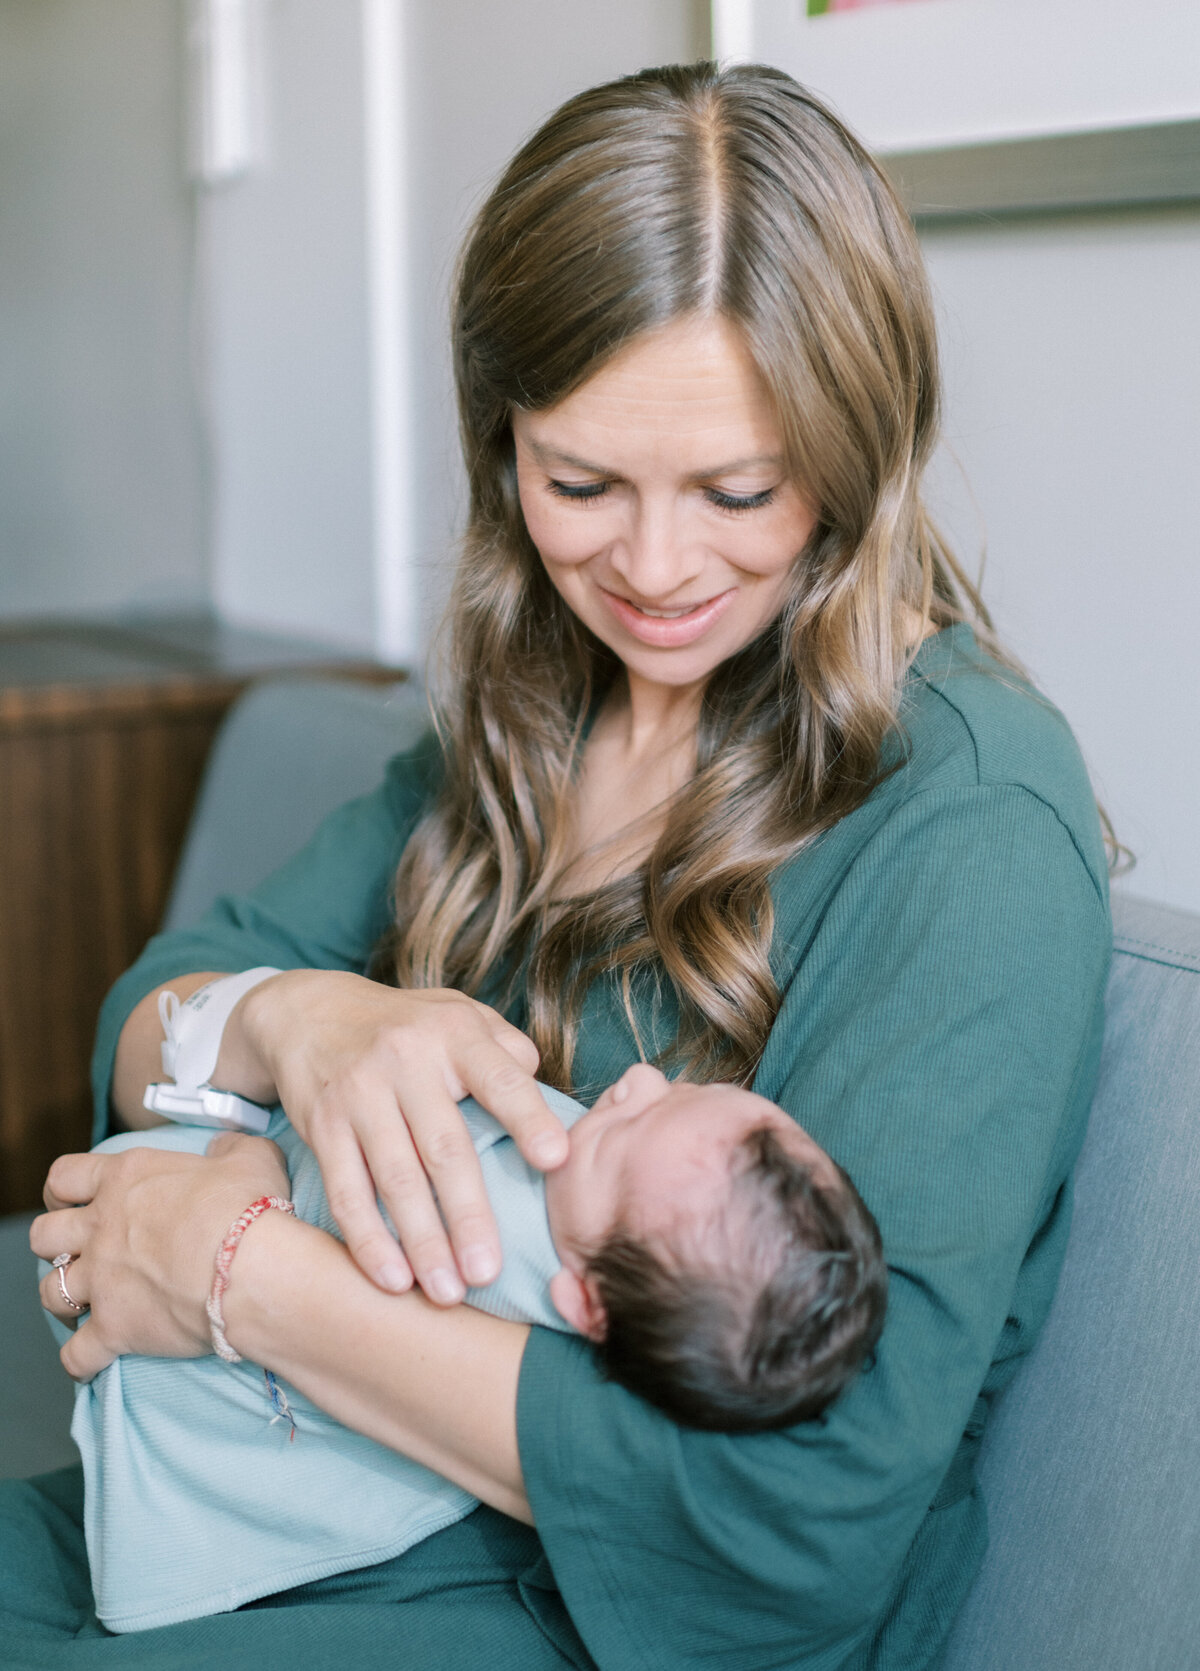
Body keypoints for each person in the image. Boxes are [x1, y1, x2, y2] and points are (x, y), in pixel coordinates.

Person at [7, 61, 1110, 1671]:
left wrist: (245, 1277)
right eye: (579, 484)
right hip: (317, 1520)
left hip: (581, 1616)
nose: (654, 573)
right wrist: (294, 1025)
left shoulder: (973, 823)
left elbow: (796, 1524)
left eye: (738, 491)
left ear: (861, 453)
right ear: (497, 444)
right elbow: (144, 1013)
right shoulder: (540, 715)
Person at [52, 1060, 885, 1633]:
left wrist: (250, 1159)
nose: (636, 1081)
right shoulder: (614, 1220)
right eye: (682, 1088)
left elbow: (314, 1211)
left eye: (630, 1126)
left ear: (584, 1301)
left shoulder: (474, 1246)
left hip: (175, 1385)